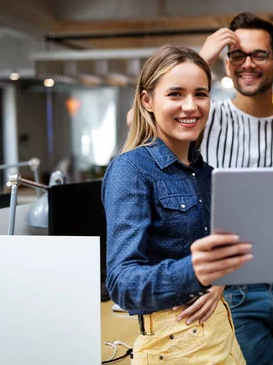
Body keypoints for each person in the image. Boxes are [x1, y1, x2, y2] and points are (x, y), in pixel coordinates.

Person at [102, 45, 252, 364]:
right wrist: (193, 273)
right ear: (147, 101)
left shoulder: (207, 173)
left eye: (200, 94)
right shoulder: (131, 170)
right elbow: (121, 282)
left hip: (221, 332)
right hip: (174, 344)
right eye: (175, 94)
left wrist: (218, 279)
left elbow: (216, 256)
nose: (191, 106)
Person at [198, 12, 273, 365]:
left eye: (259, 55)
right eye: (237, 54)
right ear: (226, 63)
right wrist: (200, 59)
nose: (247, 64)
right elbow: (141, 119)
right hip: (230, 290)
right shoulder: (206, 118)